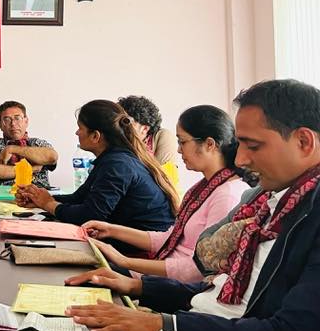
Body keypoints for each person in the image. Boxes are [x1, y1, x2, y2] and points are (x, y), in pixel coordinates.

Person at [64, 79, 320, 331]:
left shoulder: (303, 212)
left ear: (304, 142)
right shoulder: (270, 203)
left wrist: (162, 325)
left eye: (253, 146)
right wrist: (137, 286)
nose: (240, 159)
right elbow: (217, 292)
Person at [82, 105, 250, 282]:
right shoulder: (203, 187)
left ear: (209, 144)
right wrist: (110, 230)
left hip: (174, 285)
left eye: (182, 142)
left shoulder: (228, 195)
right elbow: (169, 238)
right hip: (161, 274)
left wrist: (124, 261)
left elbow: (199, 270)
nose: (178, 150)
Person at [16, 100, 178, 244]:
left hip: (145, 250)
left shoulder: (118, 164)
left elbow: (89, 216)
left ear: (95, 136)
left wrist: (48, 204)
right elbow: (80, 198)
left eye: (80, 128)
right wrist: (41, 198)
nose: (77, 133)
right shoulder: (112, 159)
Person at [0, 101, 58, 188]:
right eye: (7, 119)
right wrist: (32, 169)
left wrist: (12, 149)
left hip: (38, 192)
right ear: (0, 125)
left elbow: (52, 157)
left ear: (26, 121)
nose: (13, 124)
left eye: (17, 118)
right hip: (4, 192)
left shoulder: (37, 144)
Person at [118, 95, 177, 166]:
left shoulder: (162, 136)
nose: (119, 126)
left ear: (144, 129)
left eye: (126, 121)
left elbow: (163, 172)